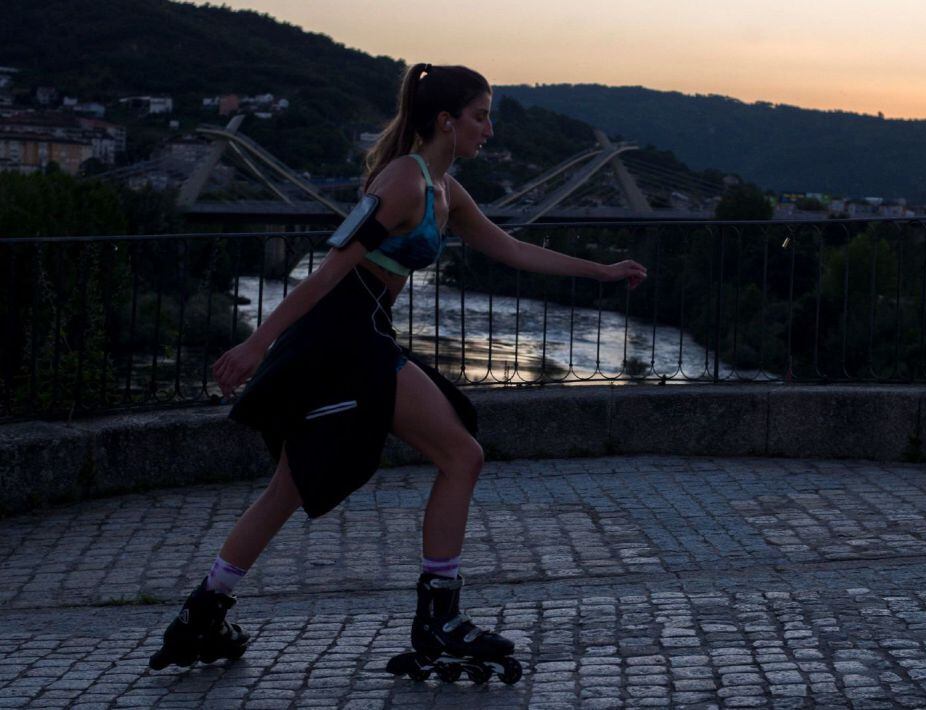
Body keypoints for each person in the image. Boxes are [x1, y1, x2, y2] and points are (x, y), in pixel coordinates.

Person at [148, 63, 647, 680]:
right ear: (446, 120)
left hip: (359, 333)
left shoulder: (445, 189)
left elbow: (511, 248)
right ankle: (439, 617)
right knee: (461, 455)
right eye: (481, 116)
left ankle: (202, 612)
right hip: (342, 336)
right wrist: (256, 343)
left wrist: (601, 272)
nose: (489, 129)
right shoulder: (404, 183)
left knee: (289, 487)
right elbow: (330, 269)